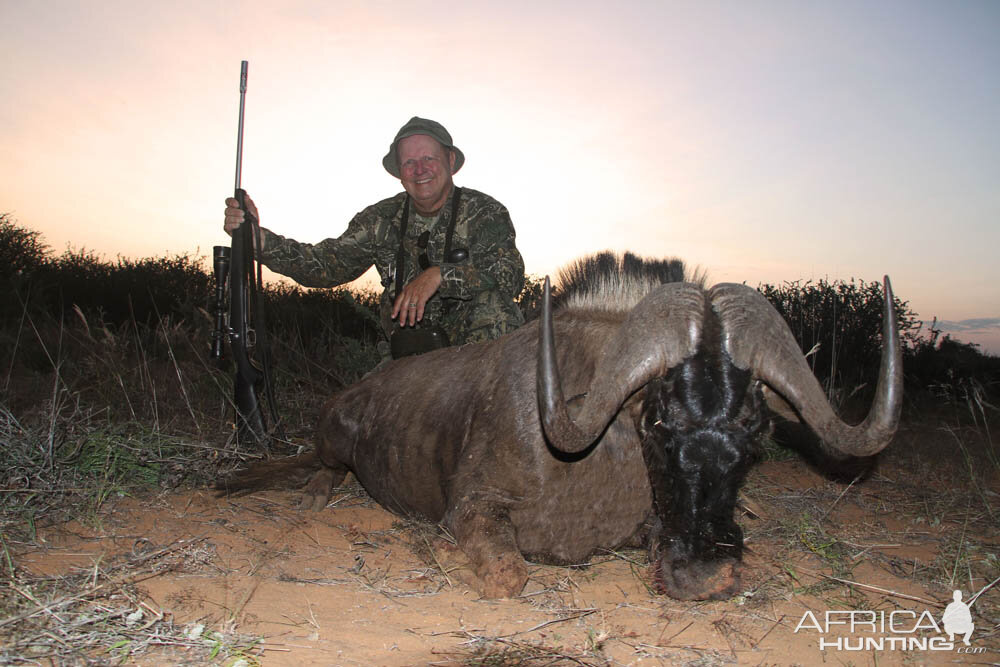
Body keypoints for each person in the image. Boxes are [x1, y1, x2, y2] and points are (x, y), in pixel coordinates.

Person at [223, 117, 525, 359]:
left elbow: (508, 275)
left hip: (475, 356)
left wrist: (440, 276)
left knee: (495, 303)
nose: (419, 170)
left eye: (428, 158)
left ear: (449, 159)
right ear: (399, 171)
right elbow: (327, 265)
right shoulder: (380, 218)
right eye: (409, 162)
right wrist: (259, 241)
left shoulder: (485, 211)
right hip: (408, 355)